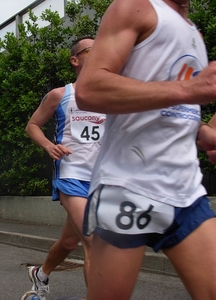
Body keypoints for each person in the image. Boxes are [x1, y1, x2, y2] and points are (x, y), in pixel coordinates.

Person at [74, 0, 216, 299]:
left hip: (187, 190)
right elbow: (90, 89)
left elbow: (176, 108)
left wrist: (202, 134)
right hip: (128, 186)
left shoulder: (194, 33)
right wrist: (190, 90)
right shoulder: (134, 7)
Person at [21, 37, 106, 300]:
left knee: (70, 242)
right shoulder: (61, 95)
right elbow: (32, 125)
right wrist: (49, 146)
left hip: (101, 180)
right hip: (71, 175)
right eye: (92, 49)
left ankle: (41, 273)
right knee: (92, 240)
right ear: (75, 59)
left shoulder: (109, 96)